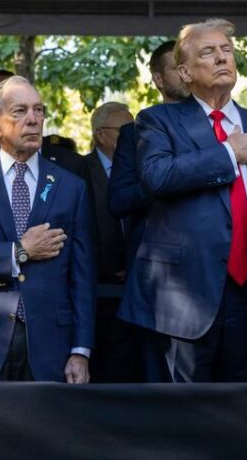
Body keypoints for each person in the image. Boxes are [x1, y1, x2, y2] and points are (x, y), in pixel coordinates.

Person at [119, 19, 247, 382]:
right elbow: (157, 176)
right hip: (182, 301)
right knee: (182, 421)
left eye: (227, 51)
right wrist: (228, 153)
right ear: (184, 73)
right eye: (208, 52)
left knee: (246, 417)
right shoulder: (158, 121)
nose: (222, 58)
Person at [0, 76, 95, 382]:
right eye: (20, 111)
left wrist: (81, 350)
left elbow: (82, 275)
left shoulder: (70, 186)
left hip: (50, 346)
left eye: (38, 111)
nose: (33, 120)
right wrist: (19, 252)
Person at [109, 40, 189, 270]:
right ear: (158, 78)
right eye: (177, 68)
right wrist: (167, 179)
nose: (186, 73)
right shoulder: (134, 134)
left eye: (189, 66)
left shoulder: (219, 127)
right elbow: (118, 201)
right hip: (156, 263)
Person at [81, 101, 142, 382]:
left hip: (135, 286)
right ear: (100, 134)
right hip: (94, 288)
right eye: (124, 130)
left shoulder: (143, 171)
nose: (133, 137)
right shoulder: (79, 171)